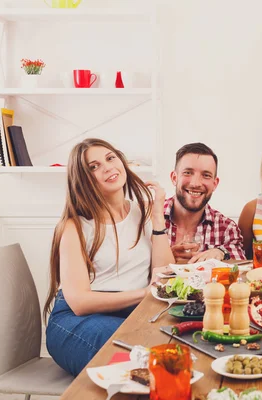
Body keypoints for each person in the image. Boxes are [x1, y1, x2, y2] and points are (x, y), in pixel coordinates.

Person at [43, 138, 175, 376]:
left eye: (110, 158)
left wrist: (157, 217)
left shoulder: (141, 211)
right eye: (93, 167)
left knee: (172, 348)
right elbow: (80, 303)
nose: (107, 167)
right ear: (83, 180)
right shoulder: (74, 226)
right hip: (76, 322)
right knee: (142, 354)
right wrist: (144, 294)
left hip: (129, 313)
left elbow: (164, 274)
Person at [164, 143, 245, 263]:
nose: (196, 183)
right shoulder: (148, 219)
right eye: (188, 172)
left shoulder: (227, 228)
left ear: (215, 184)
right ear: (174, 178)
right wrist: (166, 257)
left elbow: (241, 265)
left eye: (206, 175)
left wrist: (221, 252)